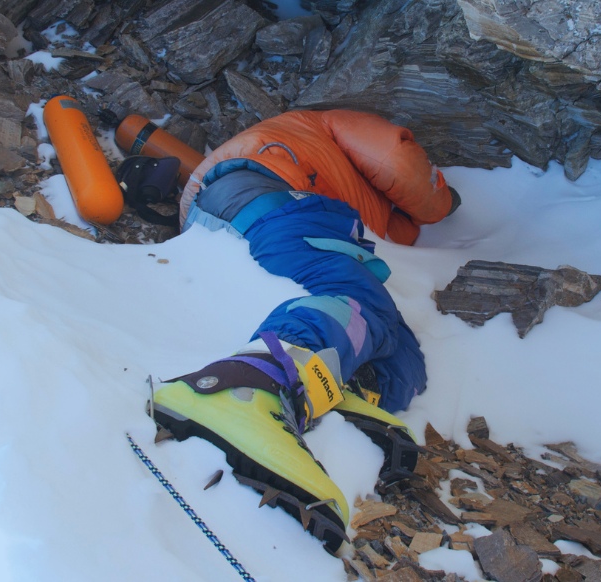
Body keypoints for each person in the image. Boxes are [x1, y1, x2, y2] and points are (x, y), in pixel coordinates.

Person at [148, 109, 460, 553]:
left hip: (225, 217)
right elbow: (397, 159)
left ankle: (333, 390)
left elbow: (392, 225)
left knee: (399, 351)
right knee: (357, 303)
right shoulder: (322, 123)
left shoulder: (340, 182)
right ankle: (247, 386)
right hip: (266, 199)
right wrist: (444, 202)